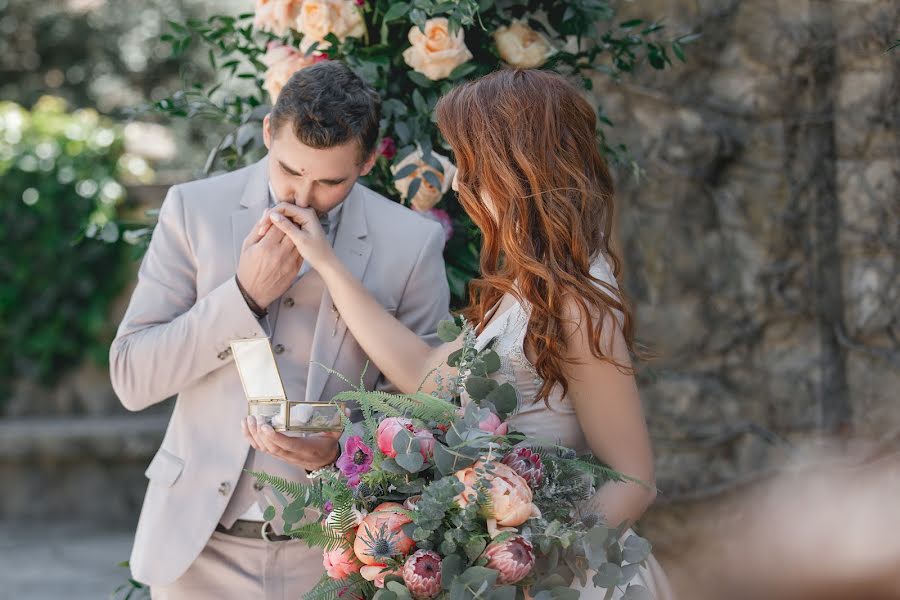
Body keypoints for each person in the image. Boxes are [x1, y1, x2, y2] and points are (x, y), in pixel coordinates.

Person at [259, 68, 676, 599]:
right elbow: (423, 374)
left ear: (514, 169)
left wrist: (526, 561)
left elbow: (634, 480)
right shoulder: (526, 284)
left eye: (468, 161)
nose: (456, 181)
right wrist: (326, 261)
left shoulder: (576, 295)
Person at [109, 61, 451, 599]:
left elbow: (427, 411)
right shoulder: (193, 210)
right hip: (197, 551)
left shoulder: (411, 243)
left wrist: (338, 452)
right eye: (289, 169)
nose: (302, 197)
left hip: (337, 552)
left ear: (365, 161)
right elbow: (131, 378)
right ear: (269, 132)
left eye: (330, 181)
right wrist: (243, 295)